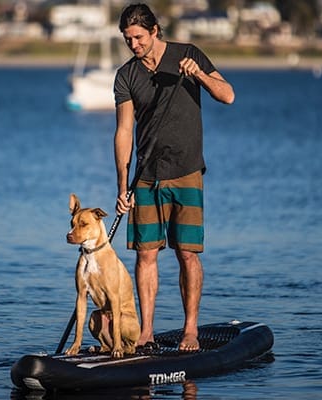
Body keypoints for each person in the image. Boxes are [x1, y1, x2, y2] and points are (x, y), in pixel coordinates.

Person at [113, 3, 235, 352]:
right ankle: (146, 332)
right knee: (145, 255)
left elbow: (228, 95)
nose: (133, 45)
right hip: (146, 176)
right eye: (127, 39)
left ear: (154, 31)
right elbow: (123, 131)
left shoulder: (188, 54)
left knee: (187, 254)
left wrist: (198, 73)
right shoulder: (127, 75)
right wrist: (122, 186)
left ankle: (191, 331)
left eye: (138, 37)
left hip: (186, 171)